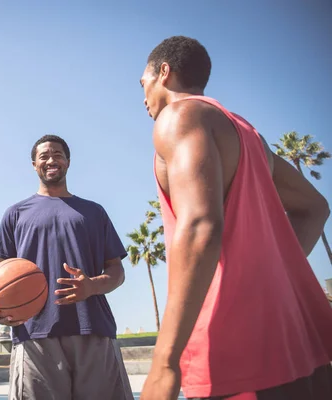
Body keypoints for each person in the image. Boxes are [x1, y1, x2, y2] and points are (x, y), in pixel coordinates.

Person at [138, 35, 332, 400]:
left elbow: (200, 227)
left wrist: (164, 361)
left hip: (235, 355)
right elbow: (315, 207)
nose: (143, 95)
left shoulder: (179, 117)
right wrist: (259, 272)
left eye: (143, 82)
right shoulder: (248, 134)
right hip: (296, 345)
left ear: (163, 72)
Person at [0, 134, 135, 400]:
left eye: (58, 155)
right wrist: (0, 310)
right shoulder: (15, 214)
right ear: (34, 165)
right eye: (44, 156)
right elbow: (4, 279)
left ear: (68, 162)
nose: (51, 160)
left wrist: (92, 286)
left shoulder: (94, 212)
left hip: (93, 329)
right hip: (34, 335)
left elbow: (117, 271)